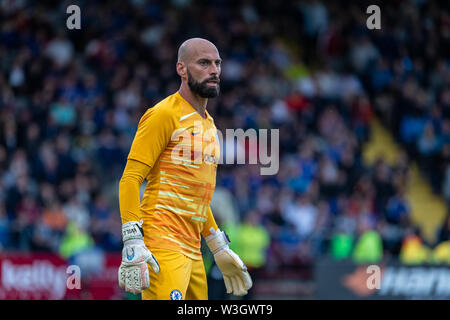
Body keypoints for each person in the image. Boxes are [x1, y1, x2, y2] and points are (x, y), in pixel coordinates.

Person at [117, 38, 252, 300]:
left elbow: (197, 199)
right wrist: (132, 241)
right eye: (204, 63)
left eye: (217, 63)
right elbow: (130, 179)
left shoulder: (210, 126)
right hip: (162, 245)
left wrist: (218, 246)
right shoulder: (163, 114)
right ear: (181, 69)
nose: (214, 70)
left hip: (194, 251)